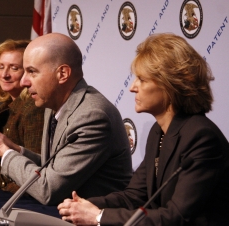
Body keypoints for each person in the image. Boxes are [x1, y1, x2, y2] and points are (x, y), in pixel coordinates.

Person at [57, 33, 229, 225]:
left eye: (142, 79)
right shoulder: (159, 131)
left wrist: (98, 217)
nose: (132, 87)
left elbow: (177, 217)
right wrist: (84, 204)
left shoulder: (201, 137)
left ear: (170, 85)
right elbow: (135, 196)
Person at [0, 33, 133, 205]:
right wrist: (16, 149)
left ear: (62, 74)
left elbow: (47, 189)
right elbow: (54, 168)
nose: (24, 82)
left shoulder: (93, 116)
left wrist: (4, 153)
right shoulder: (53, 103)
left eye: (32, 72)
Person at [0, 39, 44, 193]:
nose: (4, 75)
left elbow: (35, 167)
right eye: (1, 67)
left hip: (17, 195)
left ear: (29, 72)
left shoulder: (33, 109)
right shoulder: (5, 106)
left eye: (14, 68)